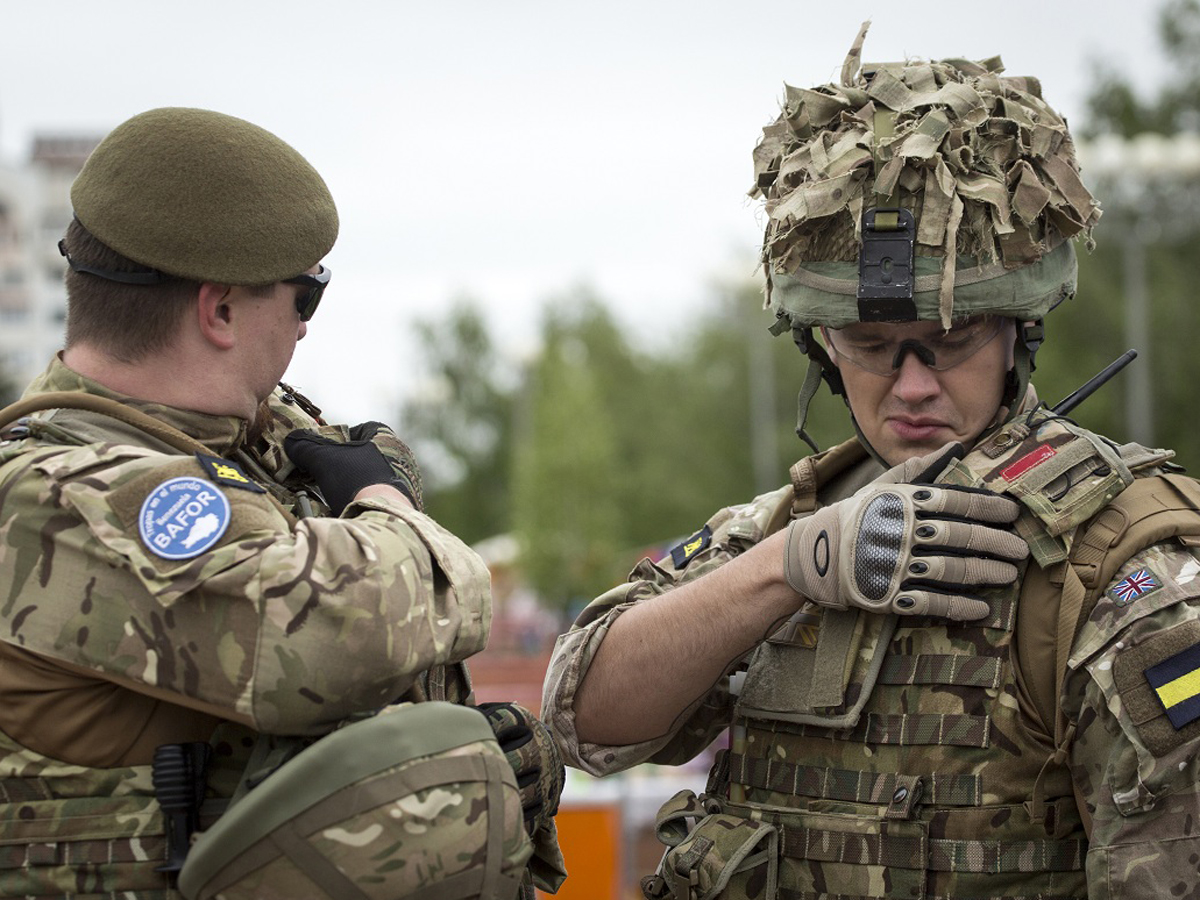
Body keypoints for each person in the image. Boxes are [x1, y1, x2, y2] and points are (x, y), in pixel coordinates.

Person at [542, 26, 1200, 900]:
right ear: (822, 351)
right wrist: (787, 568)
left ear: (1016, 335)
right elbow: (583, 721)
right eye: (871, 345)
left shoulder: (1125, 569)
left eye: (950, 341)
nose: (913, 385)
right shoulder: (787, 528)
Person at [0, 107, 563, 899]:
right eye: (306, 298)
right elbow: (341, 626)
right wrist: (384, 502)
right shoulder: (55, 496)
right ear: (220, 310)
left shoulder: (234, 452)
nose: (302, 334)